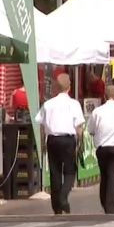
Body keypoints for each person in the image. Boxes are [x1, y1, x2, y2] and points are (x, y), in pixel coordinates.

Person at [35, 73, 84, 215]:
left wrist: (43, 143)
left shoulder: (48, 104)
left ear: (56, 87)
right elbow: (79, 127)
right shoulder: (74, 104)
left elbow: (42, 127)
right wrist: (80, 142)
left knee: (54, 172)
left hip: (52, 140)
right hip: (68, 140)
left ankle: (56, 206)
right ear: (69, 87)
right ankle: (63, 197)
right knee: (69, 171)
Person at [87, 85, 114, 214]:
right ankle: (110, 207)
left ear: (104, 97)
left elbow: (90, 130)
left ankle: (105, 203)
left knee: (104, 176)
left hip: (102, 148)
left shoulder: (97, 112)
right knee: (113, 177)